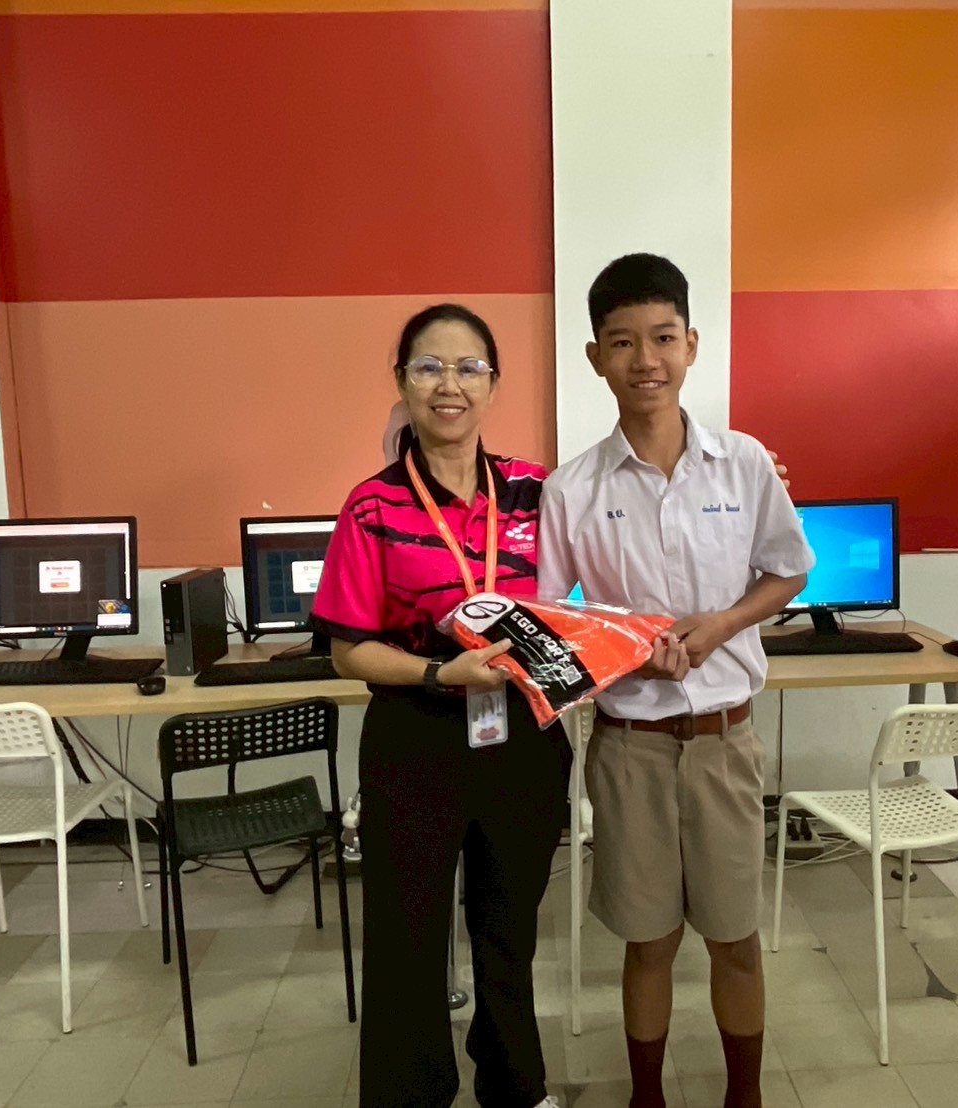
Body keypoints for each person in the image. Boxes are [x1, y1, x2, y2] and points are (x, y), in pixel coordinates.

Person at [536, 254, 815, 1108]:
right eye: (622, 342)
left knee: (735, 939)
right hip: (630, 750)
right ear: (595, 357)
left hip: (724, 744)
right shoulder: (570, 489)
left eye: (662, 338)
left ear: (691, 345)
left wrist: (722, 624)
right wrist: (621, 652)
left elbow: (788, 570)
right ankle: (646, 1098)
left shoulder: (744, 464)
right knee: (648, 942)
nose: (645, 360)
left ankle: (744, 1097)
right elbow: (551, 623)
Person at [309, 304, 571, 1108]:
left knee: (507, 932)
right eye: (428, 367)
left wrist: (738, 478)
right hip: (415, 738)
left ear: (493, 384)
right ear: (401, 382)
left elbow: (626, 521)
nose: (448, 385)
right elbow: (348, 649)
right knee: (408, 936)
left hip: (522, 738)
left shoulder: (538, 491)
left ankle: (513, 1087)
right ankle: (409, 1093)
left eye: (468, 368)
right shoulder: (372, 506)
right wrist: (437, 674)